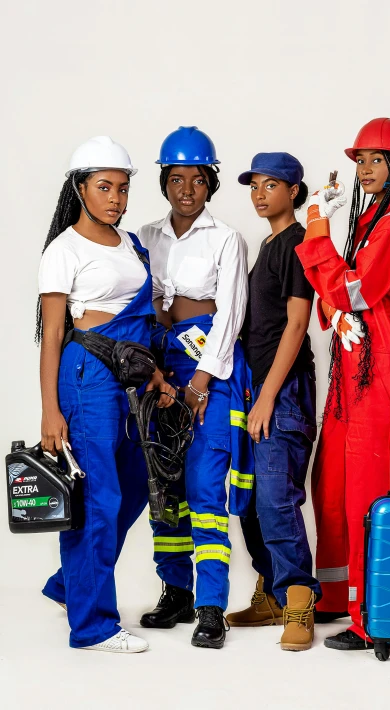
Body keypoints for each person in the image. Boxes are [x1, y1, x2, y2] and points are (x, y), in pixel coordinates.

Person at [39, 136, 175, 653]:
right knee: (98, 497)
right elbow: (52, 333)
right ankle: (93, 626)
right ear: (79, 189)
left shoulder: (131, 246)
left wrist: (156, 377)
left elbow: (140, 323)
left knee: (137, 485)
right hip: (85, 378)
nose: (115, 199)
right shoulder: (64, 250)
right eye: (103, 187)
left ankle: (69, 586)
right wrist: (51, 410)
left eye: (122, 188)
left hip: (132, 379)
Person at [295, 118, 390, 651]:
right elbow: (338, 298)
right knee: (332, 482)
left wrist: (316, 227)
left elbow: (351, 288)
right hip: (352, 364)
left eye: (376, 159)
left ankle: (374, 615)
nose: (365, 169)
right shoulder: (370, 219)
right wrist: (337, 305)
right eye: (360, 160)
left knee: (370, 489)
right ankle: (332, 597)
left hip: (381, 367)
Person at [138, 126, 251, 650]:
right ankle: (176, 590)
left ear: (211, 183)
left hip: (208, 369)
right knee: (167, 488)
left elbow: (229, 316)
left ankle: (211, 607)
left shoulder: (227, 238)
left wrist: (202, 379)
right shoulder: (146, 236)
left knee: (206, 487)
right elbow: (147, 305)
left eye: (197, 179)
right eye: (176, 178)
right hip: (160, 371)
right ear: (164, 181)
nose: (186, 189)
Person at [226, 153, 321, 651]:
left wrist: (266, 396)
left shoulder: (298, 243)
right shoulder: (268, 244)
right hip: (256, 390)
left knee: (275, 500)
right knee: (248, 500)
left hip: (282, 393)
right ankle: (271, 594)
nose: (260, 193)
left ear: (294, 192)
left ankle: (299, 602)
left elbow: (298, 324)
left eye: (272, 185)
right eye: (254, 186)